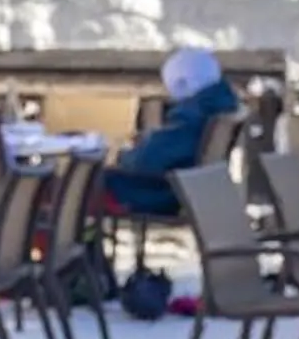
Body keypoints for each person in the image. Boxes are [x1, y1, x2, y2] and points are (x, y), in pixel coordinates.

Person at [98, 46, 239, 219]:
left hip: (159, 193)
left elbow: (146, 160)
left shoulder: (195, 115)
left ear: (182, 83)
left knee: (85, 186)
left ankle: (80, 243)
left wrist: (123, 155)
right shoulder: (219, 108)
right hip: (184, 188)